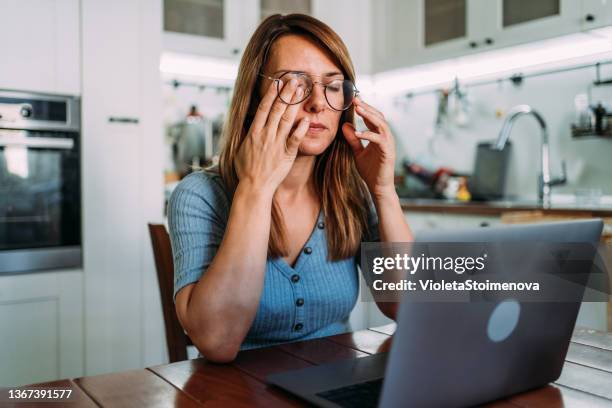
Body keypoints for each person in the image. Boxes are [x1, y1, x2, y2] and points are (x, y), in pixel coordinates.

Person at [168, 13, 413, 363]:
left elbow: (407, 307)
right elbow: (217, 342)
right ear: (254, 98)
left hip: (337, 383)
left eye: (331, 86)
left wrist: (383, 190)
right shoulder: (198, 196)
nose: (317, 103)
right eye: (294, 86)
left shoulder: (352, 192)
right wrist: (255, 186)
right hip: (234, 393)